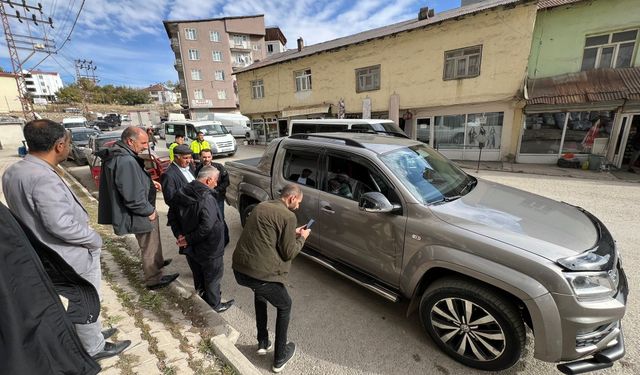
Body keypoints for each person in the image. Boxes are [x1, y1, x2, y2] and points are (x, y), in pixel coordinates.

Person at [2, 119, 131, 360]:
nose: (70, 148)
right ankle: (94, 347)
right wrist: (92, 239)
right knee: (86, 298)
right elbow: (59, 223)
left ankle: (91, 335)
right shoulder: (42, 177)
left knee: (80, 300)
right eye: (69, 143)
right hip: (68, 253)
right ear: (60, 145)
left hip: (43, 252)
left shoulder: (14, 171)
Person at [232, 184, 310, 373]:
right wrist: (303, 238)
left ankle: (262, 341)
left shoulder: (262, 206)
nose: (298, 207)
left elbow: (270, 234)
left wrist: (293, 232)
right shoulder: (289, 216)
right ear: (291, 198)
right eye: (298, 203)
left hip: (240, 270)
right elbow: (288, 252)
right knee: (285, 305)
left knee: (261, 294)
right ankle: (279, 358)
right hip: (260, 274)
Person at [97, 126, 179, 290]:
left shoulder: (121, 154)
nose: (145, 146)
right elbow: (131, 195)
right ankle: (154, 279)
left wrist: (149, 183)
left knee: (153, 241)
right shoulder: (125, 160)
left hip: (141, 207)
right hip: (140, 211)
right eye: (142, 143)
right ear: (130, 141)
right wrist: (148, 210)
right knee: (149, 245)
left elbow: (132, 182)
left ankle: (157, 264)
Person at [169, 166, 235, 313]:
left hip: (191, 247)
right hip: (209, 247)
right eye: (216, 181)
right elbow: (208, 226)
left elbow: (172, 217)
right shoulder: (206, 198)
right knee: (213, 277)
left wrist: (180, 235)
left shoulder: (182, 191)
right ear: (208, 180)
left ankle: (201, 295)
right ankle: (215, 305)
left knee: (198, 272)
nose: (216, 184)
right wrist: (187, 239)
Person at [195, 148, 230, 245]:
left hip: (217, 198)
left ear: (212, 157)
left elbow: (226, 181)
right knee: (208, 219)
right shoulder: (198, 169)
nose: (206, 159)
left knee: (220, 218)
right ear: (200, 157)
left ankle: (225, 240)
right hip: (204, 199)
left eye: (208, 157)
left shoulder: (219, 167)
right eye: (204, 157)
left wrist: (215, 191)